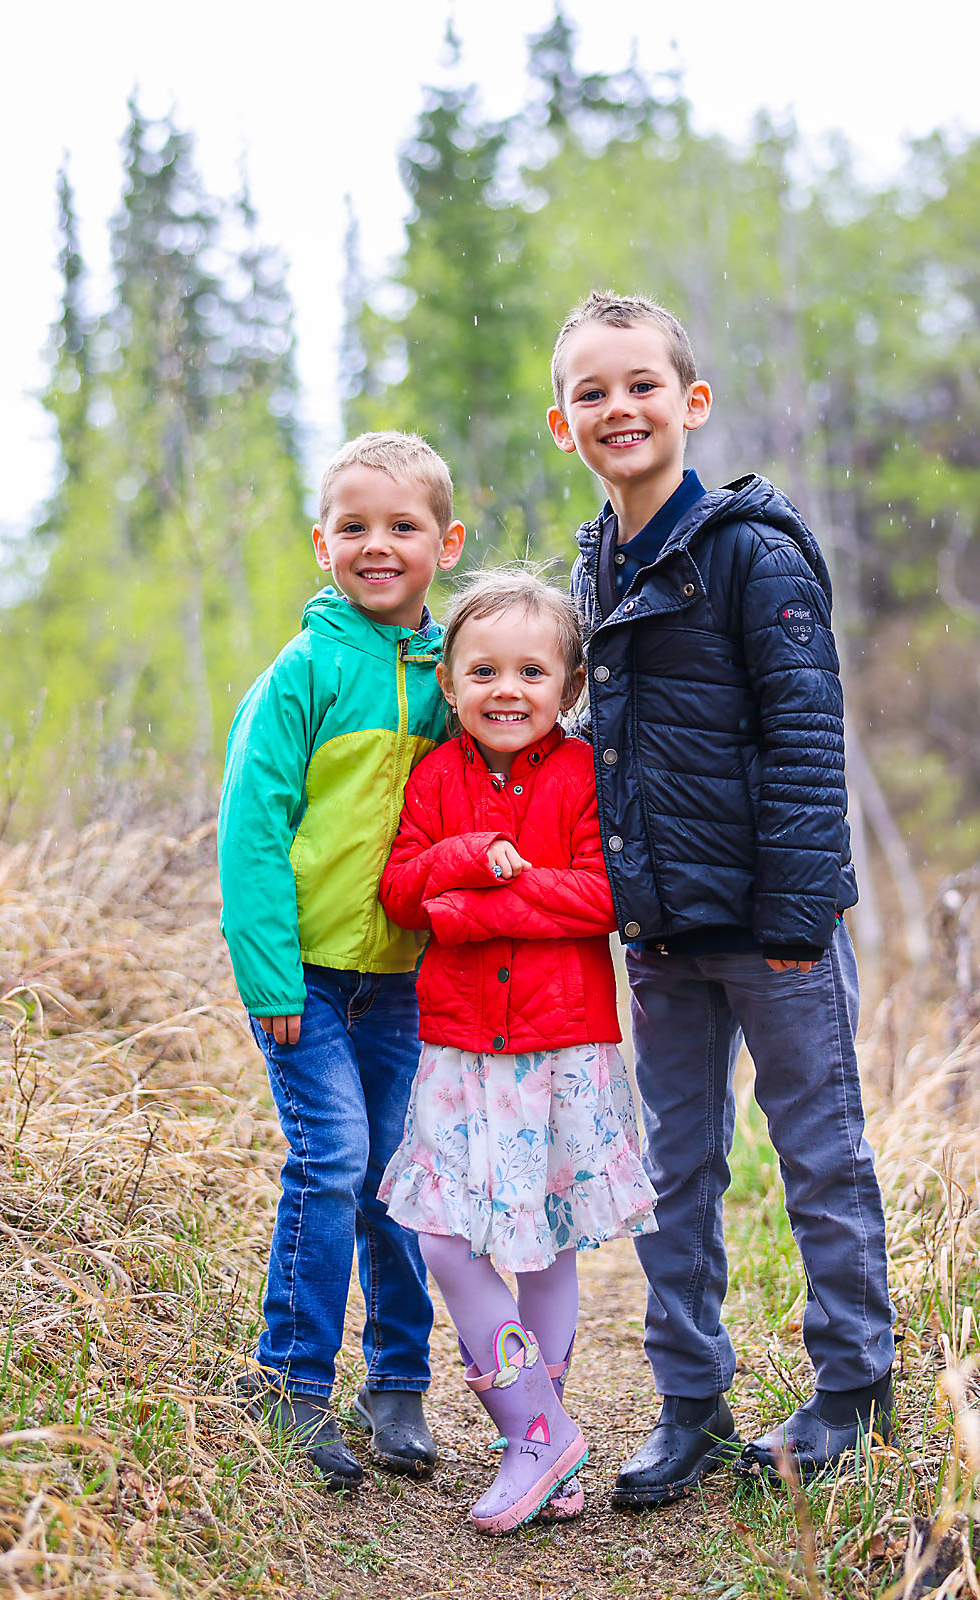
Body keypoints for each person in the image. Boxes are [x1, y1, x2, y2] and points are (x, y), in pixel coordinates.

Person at [545, 290, 896, 1503]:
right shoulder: (592, 561)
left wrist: (798, 917)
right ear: (561, 425)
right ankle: (689, 1400)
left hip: (771, 923)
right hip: (661, 931)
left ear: (688, 404)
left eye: (639, 384)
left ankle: (852, 1390)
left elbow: (804, 740)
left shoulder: (749, 551)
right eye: (590, 392)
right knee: (672, 1167)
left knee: (817, 1153)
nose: (617, 408)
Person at [378, 568, 658, 1535]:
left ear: (569, 686)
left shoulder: (585, 776)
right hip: (458, 1048)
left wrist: (474, 911)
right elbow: (402, 892)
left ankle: (537, 1457)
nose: (507, 690)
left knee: (547, 1237)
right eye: (483, 670)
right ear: (449, 683)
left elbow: (604, 897)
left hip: (563, 1046)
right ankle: (538, 1424)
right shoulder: (433, 778)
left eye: (531, 671)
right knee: (443, 1237)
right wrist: (460, 864)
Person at [217, 431, 465, 1491]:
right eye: (353, 527)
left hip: (403, 982)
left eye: (401, 526)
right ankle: (291, 1383)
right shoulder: (304, 672)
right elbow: (250, 828)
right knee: (330, 1165)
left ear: (444, 543)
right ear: (319, 543)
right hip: (308, 985)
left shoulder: (456, 674)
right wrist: (270, 977)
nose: (377, 544)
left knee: (395, 1182)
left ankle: (399, 1384)